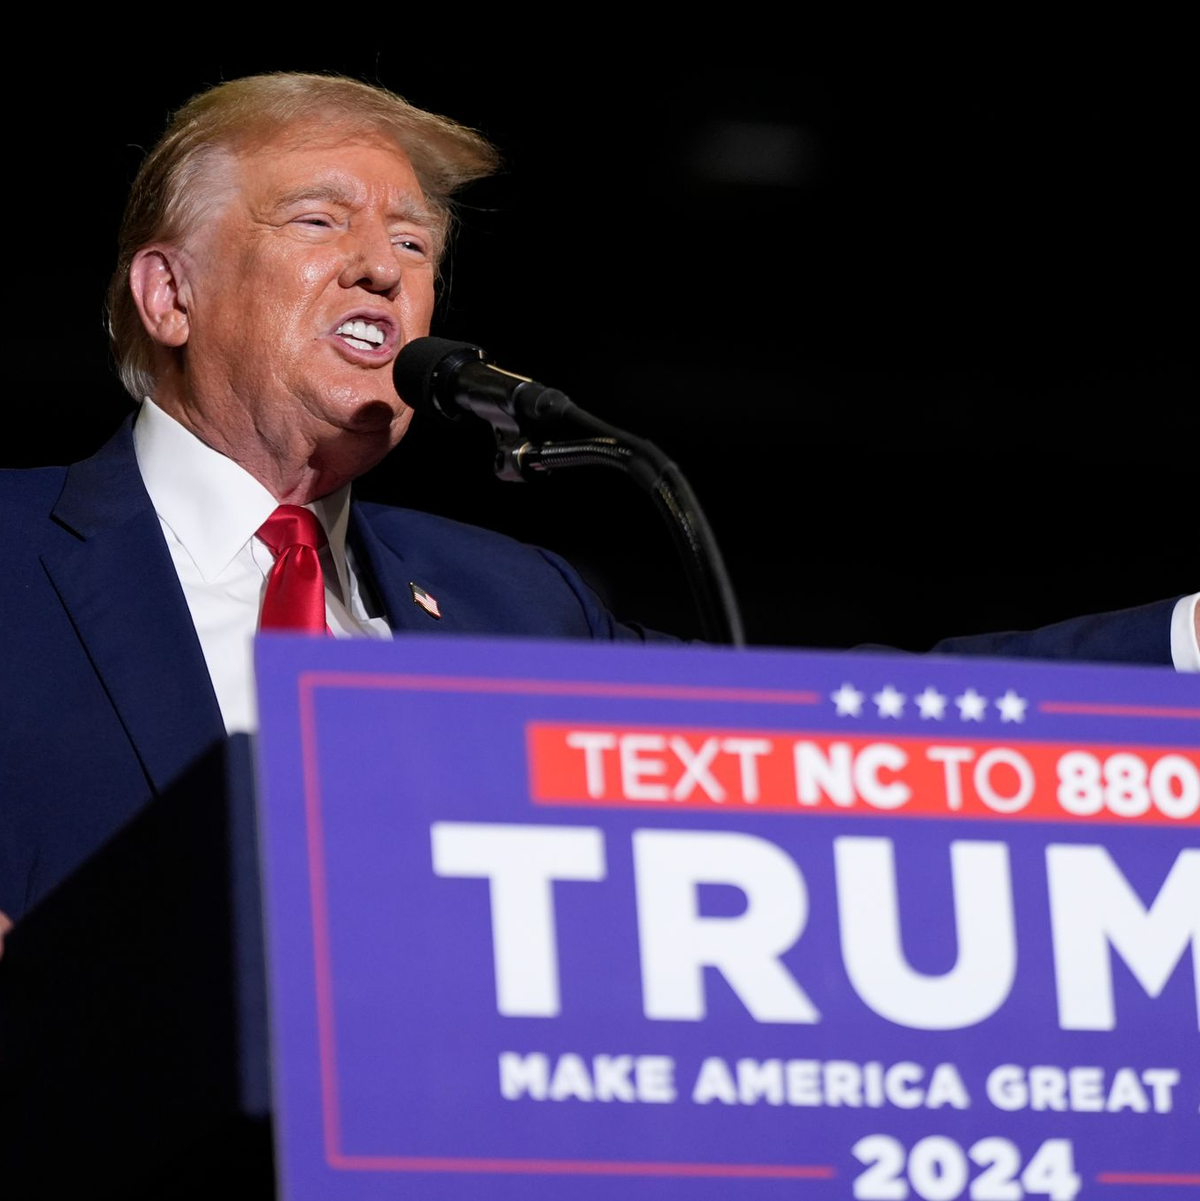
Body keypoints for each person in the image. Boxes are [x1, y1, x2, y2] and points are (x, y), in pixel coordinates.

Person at [0, 72, 1196, 937]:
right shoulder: (13, 557)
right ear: (169, 294)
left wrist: (1183, 646)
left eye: (415, 243)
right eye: (319, 220)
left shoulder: (512, 601)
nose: (384, 266)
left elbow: (831, 730)